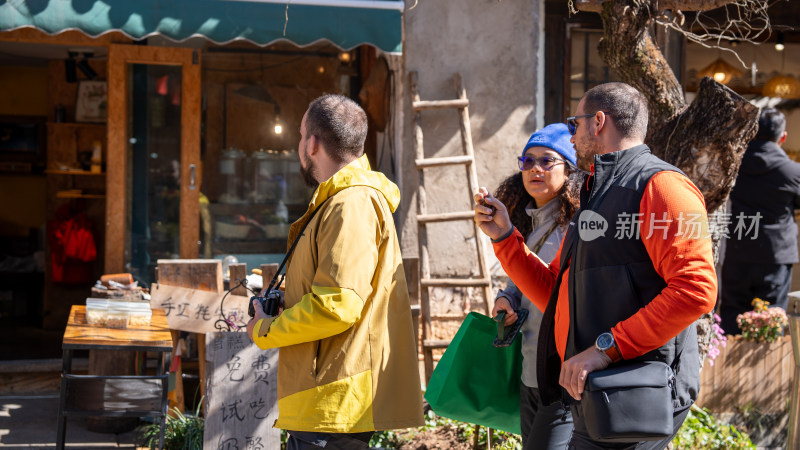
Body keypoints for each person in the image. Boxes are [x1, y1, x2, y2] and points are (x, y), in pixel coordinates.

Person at [474, 82, 717, 449]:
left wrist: (605, 348)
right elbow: (554, 294)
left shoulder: (664, 186)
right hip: (595, 392)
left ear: (598, 121)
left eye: (575, 125)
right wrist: (505, 237)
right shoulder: (595, 192)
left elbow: (696, 291)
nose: (570, 138)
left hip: (635, 394)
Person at [246, 94, 423, 449]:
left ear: (312, 143)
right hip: (327, 397)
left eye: (300, 136)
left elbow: (338, 305)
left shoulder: (351, 204)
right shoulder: (340, 200)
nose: (300, 145)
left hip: (336, 399)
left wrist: (265, 329)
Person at [491, 123, 579, 449]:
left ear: (569, 170)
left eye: (546, 161)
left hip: (561, 377)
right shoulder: (533, 222)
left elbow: (559, 296)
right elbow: (523, 277)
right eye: (527, 161)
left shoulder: (577, 229)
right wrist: (507, 297)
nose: (535, 169)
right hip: (530, 371)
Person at [720, 107, 800, 334]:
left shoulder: (732, 167)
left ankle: (729, 368)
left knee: (731, 316)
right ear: (782, 138)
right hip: (776, 254)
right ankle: (764, 368)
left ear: (751, 133)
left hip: (737, 251)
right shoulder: (792, 172)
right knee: (772, 317)